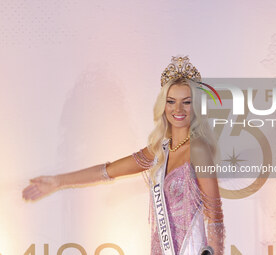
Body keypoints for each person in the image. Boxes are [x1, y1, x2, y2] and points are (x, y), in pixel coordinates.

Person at [22, 56, 226, 255]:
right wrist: (58, 181)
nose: (178, 109)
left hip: (190, 248)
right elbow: (108, 171)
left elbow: (215, 216)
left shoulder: (198, 150)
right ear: (163, 106)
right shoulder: (158, 151)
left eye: (186, 102)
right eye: (171, 101)